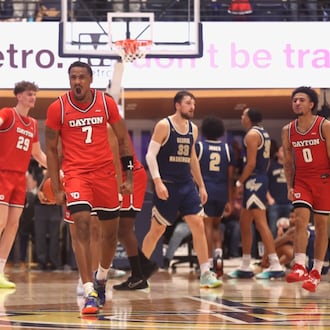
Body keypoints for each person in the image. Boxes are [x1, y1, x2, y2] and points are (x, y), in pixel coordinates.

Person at [45, 61, 134, 315]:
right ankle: (89, 291)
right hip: (76, 174)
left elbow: (122, 140)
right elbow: (51, 150)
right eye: (73, 77)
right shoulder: (57, 108)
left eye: (82, 77)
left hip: (105, 173)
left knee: (110, 234)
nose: (77, 81)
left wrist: (128, 178)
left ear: (90, 79)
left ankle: (102, 277)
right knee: (82, 223)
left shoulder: (106, 103)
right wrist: (56, 183)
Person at [141, 90, 222, 288]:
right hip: (167, 185)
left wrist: (201, 185)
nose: (192, 106)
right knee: (157, 230)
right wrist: (157, 182)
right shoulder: (163, 125)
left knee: (198, 225)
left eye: (193, 103)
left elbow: (192, 158)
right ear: (177, 105)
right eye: (188, 103)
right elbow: (150, 156)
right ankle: (139, 273)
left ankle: (205, 273)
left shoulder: (193, 129)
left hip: (186, 185)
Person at [282, 86, 330, 292]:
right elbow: (287, 162)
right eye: (295, 100)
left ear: (312, 104)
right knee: (300, 219)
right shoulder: (288, 130)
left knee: (321, 226)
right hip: (302, 181)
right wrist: (289, 185)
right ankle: (300, 265)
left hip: (324, 180)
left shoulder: (324, 125)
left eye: (301, 100)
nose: (297, 103)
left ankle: (316, 270)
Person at [228, 107, 285, 280]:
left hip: (254, 181)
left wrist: (240, 181)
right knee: (245, 222)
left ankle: (275, 265)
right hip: (258, 179)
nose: (241, 117)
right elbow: (264, 163)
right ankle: (245, 265)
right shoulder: (264, 133)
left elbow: (251, 164)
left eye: (243, 115)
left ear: (249, 118)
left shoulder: (252, 135)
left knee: (260, 222)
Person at [0, 81, 47, 288]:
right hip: (2, 174)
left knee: (13, 225)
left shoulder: (33, 124)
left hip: (19, 178)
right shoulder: (8, 114)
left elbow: (37, 154)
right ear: (18, 96)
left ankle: (0, 272)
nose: (33, 98)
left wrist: (57, 170)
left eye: (35, 95)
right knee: (0, 222)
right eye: (29, 94)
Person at [195, 116, 235, 278]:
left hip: (205, 191)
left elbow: (193, 173)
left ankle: (209, 265)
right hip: (222, 191)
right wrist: (230, 199)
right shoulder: (227, 148)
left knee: (207, 229)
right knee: (217, 227)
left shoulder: (199, 147)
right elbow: (230, 177)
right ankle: (219, 258)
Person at [34, 169, 63, 271]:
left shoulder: (58, 165)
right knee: (40, 235)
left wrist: (56, 198)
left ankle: (54, 262)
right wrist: (38, 191)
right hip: (39, 205)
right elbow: (31, 182)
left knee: (54, 236)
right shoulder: (35, 165)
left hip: (55, 206)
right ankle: (41, 262)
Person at [266, 145, 292, 238]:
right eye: (282, 150)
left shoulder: (291, 167)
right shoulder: (271, 167)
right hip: (275, 204)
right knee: (273, 230)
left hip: (289, 203)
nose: (284, 152)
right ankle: (272, 251)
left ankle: (288, 252)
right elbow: (265, 184)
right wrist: (269, 199)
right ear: (277, 153)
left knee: (290, 231)